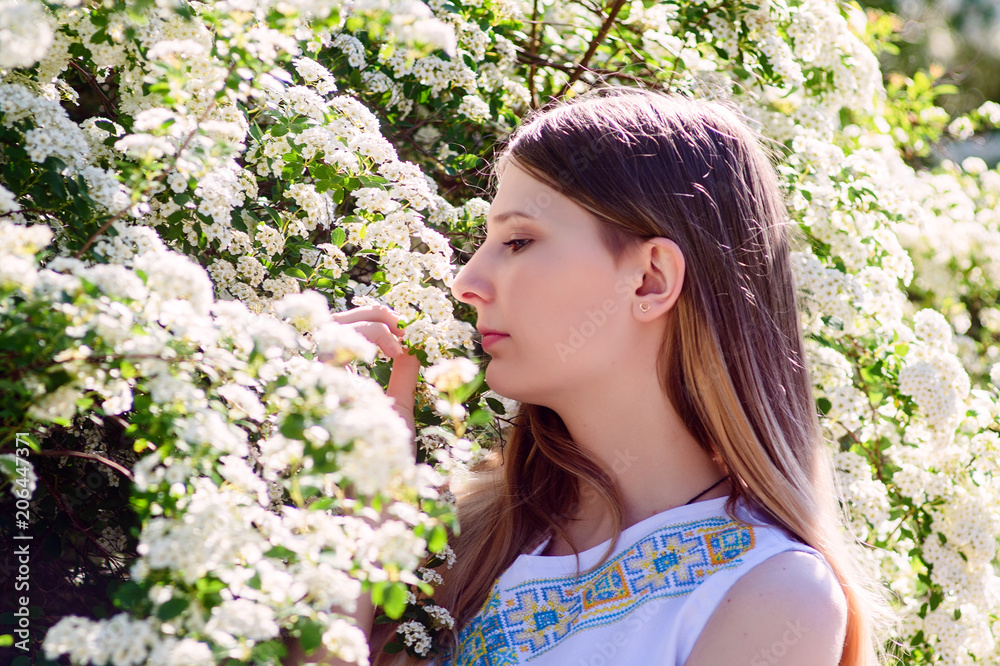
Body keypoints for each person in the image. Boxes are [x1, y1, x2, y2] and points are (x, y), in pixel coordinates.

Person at [325, 89, 888, 666]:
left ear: (649, 279)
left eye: (518, 241)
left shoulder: (772, 595)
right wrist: (361, 510)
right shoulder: (455, 539)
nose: (465, 281)